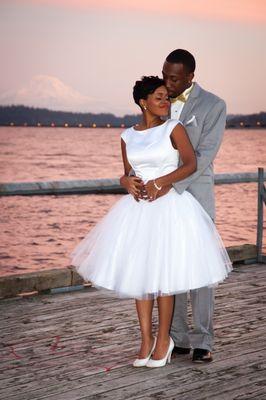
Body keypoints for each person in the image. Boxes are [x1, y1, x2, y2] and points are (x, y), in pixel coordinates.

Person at [70, 76, 232, 369]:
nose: (165, 102)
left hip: (170, 208)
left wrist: (162, 182)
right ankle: (145, 340)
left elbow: (191, 163)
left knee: (164, 279)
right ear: (143, 102)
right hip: (138, 211)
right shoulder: (127, 136)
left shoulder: (173, 128)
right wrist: (125, 181)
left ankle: (163, 340)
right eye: (159, 97)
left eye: (166, 98)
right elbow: (128, 171)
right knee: (141, 277)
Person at [162, 49, 228, 363]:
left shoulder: (214, 105)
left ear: (190, 75)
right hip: (165, 204)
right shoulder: (159, 101)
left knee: (201, 272)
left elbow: (204, 157)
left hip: (195, 198)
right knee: (171, 269)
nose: (168, 82)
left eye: (174, 77)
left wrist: (169, 185)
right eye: (165, 76)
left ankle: (203, 340)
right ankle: (179, 339)